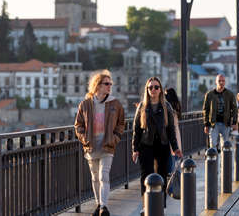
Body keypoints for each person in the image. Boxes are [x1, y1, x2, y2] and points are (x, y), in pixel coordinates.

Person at [74, 70, 125, 216]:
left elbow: (121, 123)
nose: (109, 86)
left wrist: (115, 138)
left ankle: (103, 206)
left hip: (107, 146)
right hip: (91, 146)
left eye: (111, 84)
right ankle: (98, 204)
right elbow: (78, 125)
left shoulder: (115, 103)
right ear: (97, 85)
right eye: (106, 84)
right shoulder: (85, 104)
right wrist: (84, 139)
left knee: (104, 175)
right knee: (95, 177)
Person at [132, 77, 182, 213]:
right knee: (145, 176)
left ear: (160, 89)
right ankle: (145, 205)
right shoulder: (142, 106)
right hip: (145, 145)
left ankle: (161, 205)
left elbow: (171, 130)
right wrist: (135, 149)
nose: (153, 90)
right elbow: (136, 129)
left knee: (162, 175)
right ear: (147, 90)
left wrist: (176, 148)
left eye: (156, 87)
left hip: (162, 145)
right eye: (150, 87)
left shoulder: (167, 107)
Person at [202, 74, 237, 151]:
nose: (221, 82)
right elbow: (205, 110)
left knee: (225, 146)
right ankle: (214, 162)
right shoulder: (209, 94)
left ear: (225, 82)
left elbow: (234, 109)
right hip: (213, 124)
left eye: (223, 81)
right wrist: (206, 124)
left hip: (226, 123)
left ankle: (223, 163)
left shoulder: (230, 94)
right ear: (216, 82)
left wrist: (234, 122)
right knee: (212, 146)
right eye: (219, 81)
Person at [164, 87, 182, 174]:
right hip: (176, 136)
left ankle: (172, 185)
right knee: (176, 163)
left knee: (171, 165)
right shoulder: (176, 106)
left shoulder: (168, 108)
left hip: (171, 137)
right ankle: (178, 185)